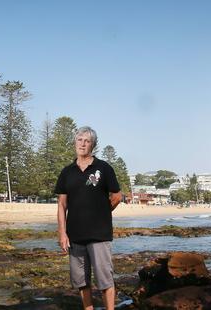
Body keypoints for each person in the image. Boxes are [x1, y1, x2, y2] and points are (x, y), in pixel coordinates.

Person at [55, 126, 123, 310]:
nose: (82, 144)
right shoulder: (67, 172)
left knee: (105, 281)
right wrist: (62, 233)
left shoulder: (103, 168)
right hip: (75, 236)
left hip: (99, 235)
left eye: (87, 141)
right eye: (79, 140)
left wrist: (102, 212)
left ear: (92, 145)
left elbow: (117, 195)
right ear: (75, 142)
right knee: (81, 281)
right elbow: (62, 205)